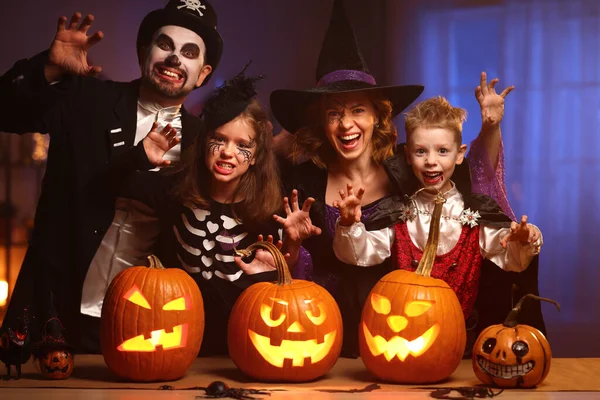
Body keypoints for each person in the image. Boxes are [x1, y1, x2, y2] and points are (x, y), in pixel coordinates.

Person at [269, 0, 518, 357]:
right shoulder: (303, 181)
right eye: (333, 114)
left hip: (404, 325)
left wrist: (491, 126)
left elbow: (474, 172)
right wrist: (292, 244)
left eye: (358, 110)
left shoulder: (408, 168)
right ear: (322, 124)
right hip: (324, 327)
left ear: (377, 117)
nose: (346, 124)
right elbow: (296, 263)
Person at [0, 0, 223, 352]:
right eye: (164, 45)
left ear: (204, 73)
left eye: (189, 52)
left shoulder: (206, 143)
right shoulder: (87, 98)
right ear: (143, 52)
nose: (174, 58)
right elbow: (5, 112)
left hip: (150, 323)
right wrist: (47, 69)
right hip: (55, 311)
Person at [112, 67, 318, 355]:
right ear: (204, 141)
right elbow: (108, 184)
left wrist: (293, 244)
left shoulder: (270, 209)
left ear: (257, 155)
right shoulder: (174, 191)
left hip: (247, 343)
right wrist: (141, 156)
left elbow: (284, 282)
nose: (227, 152)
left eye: (242, 145)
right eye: (219, 139)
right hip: (174, 341)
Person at [331, 96, 542, 331]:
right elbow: (360, 254)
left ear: (460, 154)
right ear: (408, 156)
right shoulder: (399, 212)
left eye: (442, 151)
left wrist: (523, 241)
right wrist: (349, 224)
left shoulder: (474, 216)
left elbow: (511, 260)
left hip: (460, 340)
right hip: (404, 333)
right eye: (421, 151)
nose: (431, 161)